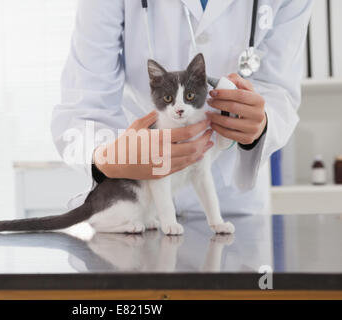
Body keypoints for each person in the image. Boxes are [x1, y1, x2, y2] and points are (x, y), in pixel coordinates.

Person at [51, 0, 313, 215]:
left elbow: (279, 90)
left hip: (230, 201)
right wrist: (105, 158)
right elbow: (84, 103)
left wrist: (261, 122)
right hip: (136, 197)